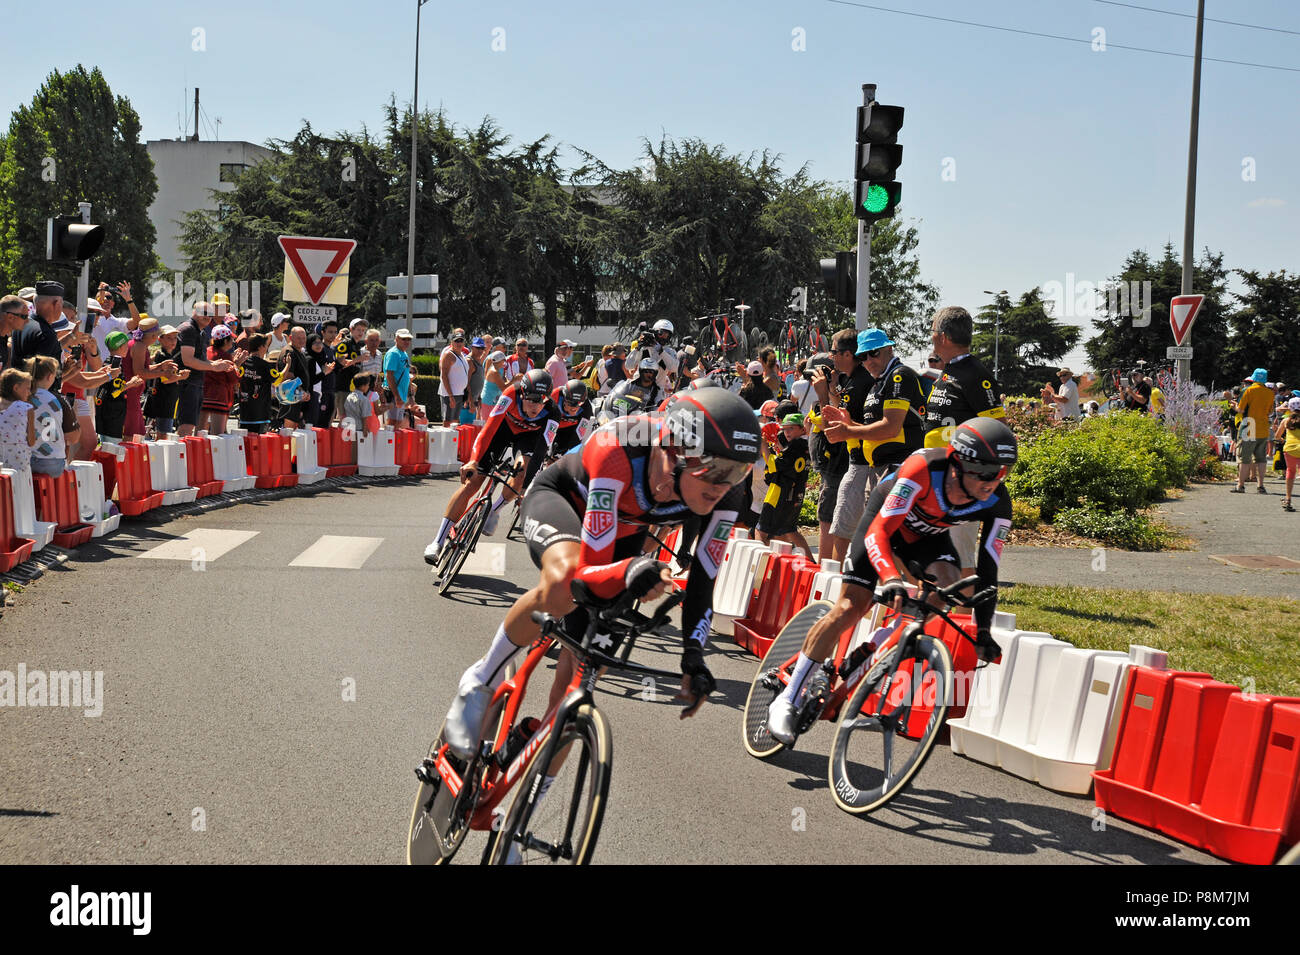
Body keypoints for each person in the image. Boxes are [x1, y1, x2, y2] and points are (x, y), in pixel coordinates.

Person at [439, 386, 761, 762]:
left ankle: (523, 801)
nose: (724, 486)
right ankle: (481, 679)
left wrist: (694, 656)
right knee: (564, 585)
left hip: (621, 535)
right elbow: (586, 575)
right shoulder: (621, 447)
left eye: (738, 472)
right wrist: (630, 570)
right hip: (563, 501)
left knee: (573, 700)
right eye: (716, 469)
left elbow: (705, 580)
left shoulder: (728, 495)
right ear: (675, 452)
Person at [765, 418, 1016, 745]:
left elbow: (989, 570)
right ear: (958, 463)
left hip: (928, 539)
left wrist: (983, 631)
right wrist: (892, 578)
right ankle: (788, 698)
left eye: (1001, 473)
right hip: (882, 526)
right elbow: (879, 533)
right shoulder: (922, 469)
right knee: (850, 607)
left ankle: (874, 644)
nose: (992, 482)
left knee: (948, 588)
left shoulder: (998, 502)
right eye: (984, 472)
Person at [424, 369, 555, 564]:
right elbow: (488, 428)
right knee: (472, 482)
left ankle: (494, 511)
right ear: (523, 393)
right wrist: (474, 461)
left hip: (528, 438)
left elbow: (541, 450)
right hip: (502, 430)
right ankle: (438, 541)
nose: (536, 404)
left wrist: (526, 486)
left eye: (541, 399)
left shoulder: (553, 412)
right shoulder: (511, 393)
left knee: (521, 471)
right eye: (532, 398)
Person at [819, 329, 874, 563]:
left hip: (860, 464)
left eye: (834, 351)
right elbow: (841, 413)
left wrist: (822, 395)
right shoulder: (855, 379)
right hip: (861, 461)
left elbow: (831, 426)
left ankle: (836, 582)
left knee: (840, 529)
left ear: (848, 354)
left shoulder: (859, 382)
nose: (831, 357)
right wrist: (832, 389)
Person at [756, 413, 814, 558]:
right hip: (796, 494)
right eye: (785, 429)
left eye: (791, 428)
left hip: (779, 494)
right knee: (789, 530)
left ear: (802, 429)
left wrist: (763, 445)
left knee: (761, 530)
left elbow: (775, 466)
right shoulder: (806, 446)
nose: (787, 432)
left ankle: (757, 567)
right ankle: (812, 562)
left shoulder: (795, 445)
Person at [176, 303, 236, 437]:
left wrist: (217, 364)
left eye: (210, 314)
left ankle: (188, 455)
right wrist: (214, 366)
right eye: (204, 313)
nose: (207, 317)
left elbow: (202, 360)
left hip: (196, 383)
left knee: (194, 425)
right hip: (187, 383)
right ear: (194, 312)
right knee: (187, 425)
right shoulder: (189, 329)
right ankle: (182, 456)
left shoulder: (200, 332)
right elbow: (188, 360)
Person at [89, 334, 143, 448]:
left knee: (106, 446)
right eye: (126, 346)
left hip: (106, 411)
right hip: (112, 414)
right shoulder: (115, 364)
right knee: (112, 449)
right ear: (120, 347)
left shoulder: (108, 361)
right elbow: (114, 391)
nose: (128, 348)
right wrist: (131, 383)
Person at [144, 325, 191, 437]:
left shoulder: (167, 355)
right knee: (163, 435)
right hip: (163, 400)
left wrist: (179, 375)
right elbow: (166, 379)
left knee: (163, 433)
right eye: (169, 338)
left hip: (167, 399)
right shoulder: (163, 355)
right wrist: (181, 376)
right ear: (160, 339)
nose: (173, 341)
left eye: (175, 338)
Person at [1233, 368, 1273, 494]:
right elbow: (1271, 411)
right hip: (1263, 427)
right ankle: (1260, 486)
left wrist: (1234, 406)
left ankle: (1240, 485)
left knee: (1245, 458)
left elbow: (1241, 410)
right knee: (1261, 459)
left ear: (1254, 378)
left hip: (1249, 425)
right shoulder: (1270, 393)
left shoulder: (1249, 390)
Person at [625, 319, 679, 393]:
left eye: (666, 335)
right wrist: (637, 348)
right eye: (661, 333)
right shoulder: (643, 348)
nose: (663, 337)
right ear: (655, 333)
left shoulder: (669, 351)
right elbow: (629, 366)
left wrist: (661, 351)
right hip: (638, 390)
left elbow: (673, 368)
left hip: (657, 393)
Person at [0, 367, 37, 471]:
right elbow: (31, 441)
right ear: (16, 388)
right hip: (19, 465)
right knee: (20, 487)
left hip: (1, 465)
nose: (29, 393)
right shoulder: (26, 408)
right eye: (28, 388)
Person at [237, 334, 274, 433]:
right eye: (266, 345)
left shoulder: (243, 362)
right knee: (258, 444)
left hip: (245, 411)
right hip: (261, 413)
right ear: (261, 347)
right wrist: (288, 364)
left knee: (246, 442)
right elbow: (277, 380)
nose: (267, 348)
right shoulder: (265, 366)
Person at [333, 318, 367, 422]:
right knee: (344, 418)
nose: (361, 332)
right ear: (351, 329)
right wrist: (358, 359)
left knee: (349, 418)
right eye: (358, 330)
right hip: (341, 387)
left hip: (350, 387)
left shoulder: (357, 345)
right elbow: (340, 363)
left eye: (363, 330)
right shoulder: (345, 343)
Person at [438, 329, 471, 424]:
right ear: (452, 342)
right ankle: (445, 439)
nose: (459, 343)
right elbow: (444, 376)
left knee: (455, 422)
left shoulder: (462, 355)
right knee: (447, 421)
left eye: (461, 340)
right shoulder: (448, 354)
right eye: (456, 340)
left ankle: (452, 439)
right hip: (449, 394)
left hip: (459, 393)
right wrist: (450, 396)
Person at [384, 329, 415, 426]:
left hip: (400, 395)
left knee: (397, 424)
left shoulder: (404, 354)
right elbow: (389, 375)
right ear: (396, 339)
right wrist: (397, 396)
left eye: (408, 339)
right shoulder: (394, 353)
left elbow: (406, 376)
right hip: (393, 395)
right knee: (391, 424)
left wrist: (410, 396)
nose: (407, 342)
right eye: (403, 339)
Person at [1277, 397, 1300, 512]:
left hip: (1290, 449)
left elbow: (1277, 436)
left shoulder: (1286, 420)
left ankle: (1288, 499)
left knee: (1290, 472)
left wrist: (1283, 440)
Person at [465, 336, 487, 421]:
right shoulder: (469, 361)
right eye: (478, 348)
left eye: (482, 348)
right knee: (466, 429)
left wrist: (479, 397)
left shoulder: (477, 360)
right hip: (468, 403)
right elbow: (466, 383)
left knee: (472, 430)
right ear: (472, 348)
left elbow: (477, 381)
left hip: (474, 401)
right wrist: (470, 401)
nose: (481, 351)